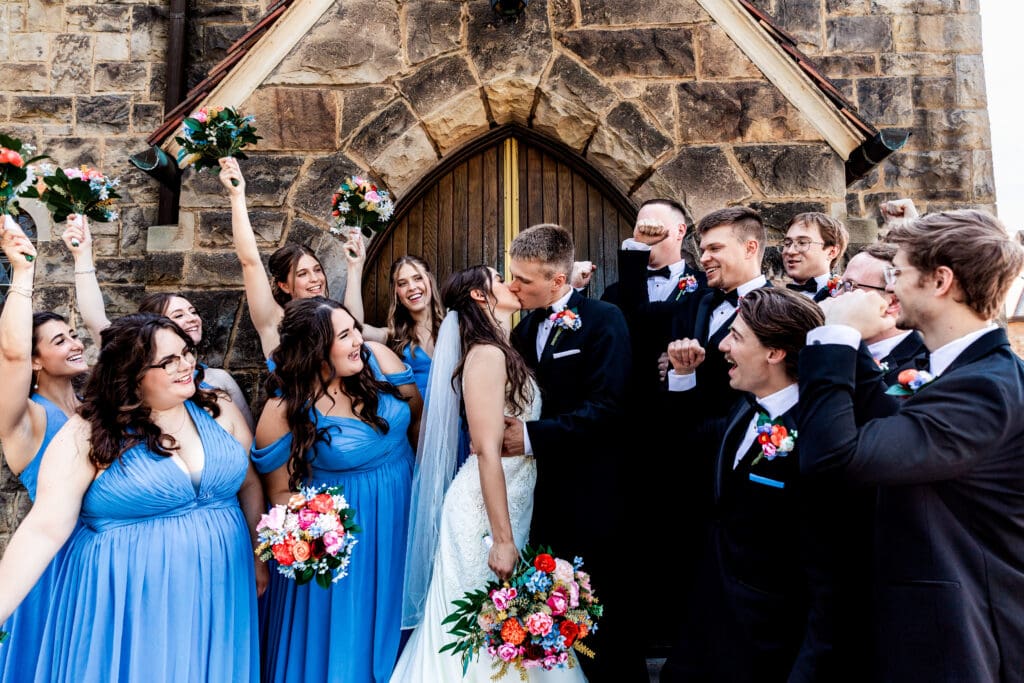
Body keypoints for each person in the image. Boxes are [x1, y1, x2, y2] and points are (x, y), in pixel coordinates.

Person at [797, 209, 1024, 681]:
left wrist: (835, 337)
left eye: (897, 273)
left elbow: (835, 458)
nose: (889, 289)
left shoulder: (986, 388)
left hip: (959, 639)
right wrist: (856, 347)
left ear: (940, 281)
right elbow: (894, 425)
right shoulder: (959, 372)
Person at [0, 313, 265, 682]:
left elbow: (250, 484)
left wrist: (258, 555)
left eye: (186, 353)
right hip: (129, 599)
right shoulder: (88, 434)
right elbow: (44, 528)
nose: (187, 365)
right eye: (168, 361)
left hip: (222, 589)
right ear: (132, 373)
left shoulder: (217, 409)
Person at [392, 265, 587, 682]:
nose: (511, 284)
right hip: (480, 515)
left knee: (505, 624)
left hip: (512, 502)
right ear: (481, 297)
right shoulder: (485, 355)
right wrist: (501, 539)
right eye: (500, 279)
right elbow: (485, 450)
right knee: (478, 628)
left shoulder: (505, 347)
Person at [660, 288, 835, 682]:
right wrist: (683, 377)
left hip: (768, 645)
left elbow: (826, 573)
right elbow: (689, 443)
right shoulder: (744, 408)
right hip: (706, 625)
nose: (722, 345)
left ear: (774, 353)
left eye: (737, 337)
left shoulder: (818, 434)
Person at [502, 224, 645, 682]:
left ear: (558, 281)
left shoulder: (604, 320)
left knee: (604, 620)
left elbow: (608, 408)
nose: (513, 286)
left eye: (523, 280)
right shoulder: (524, 330)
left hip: (596, 498)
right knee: (553, 619)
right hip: (543, 502)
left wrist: (529, 437)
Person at [252, 297, 419, 682]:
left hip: (404, 511)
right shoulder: (284, 410)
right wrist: (318, 536)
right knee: (349, 628)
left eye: (355, 329)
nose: (358, 340)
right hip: (348, 537)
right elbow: (279, 493)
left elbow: (419, 422)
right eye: (344, 335)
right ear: (316, 348)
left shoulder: (378, 360)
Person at [62, 214, 254, 429]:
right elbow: (94, 319)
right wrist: (82, 256)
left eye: (192, 311)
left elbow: (246, 434)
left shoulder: (219, 379)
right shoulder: (131, 365)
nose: (192, 319)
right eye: (179, 315)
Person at [0, 217, 87, 682]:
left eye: (73, 334)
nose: (75, 343)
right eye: (60, 340)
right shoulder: (26, 419)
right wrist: (23, 274)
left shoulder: (94, 406)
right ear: (35, 360)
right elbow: (9, 356)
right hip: (51, 558)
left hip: (102, 553)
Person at [219, 157, 330, 358]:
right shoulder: (275, 321)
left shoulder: (336, 317)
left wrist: (355, 266)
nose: (315, 279)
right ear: (284, 286)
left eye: (317, 270)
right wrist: (237, 196)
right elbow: (250, 262)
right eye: (302, 274)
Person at [343, 238, 444, 399]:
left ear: (430, 281)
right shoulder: (392, 336)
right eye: (403, 283)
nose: (412, 287)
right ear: (397, 293)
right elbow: (354, 326)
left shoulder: (455, 328)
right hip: (417, 422)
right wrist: (355, 267)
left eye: (418, 278)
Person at [835, 241, 924, 384]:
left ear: (893, 302)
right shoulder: (832, 346)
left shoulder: (921, 369)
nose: (837, 295)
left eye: (849, 286)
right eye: (840, 284)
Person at [781, 212, 848, 302]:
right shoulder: (772, 300)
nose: (790, 251)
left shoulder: (846, 296)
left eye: (802, 243)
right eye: (787, 243)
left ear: (832, 252)